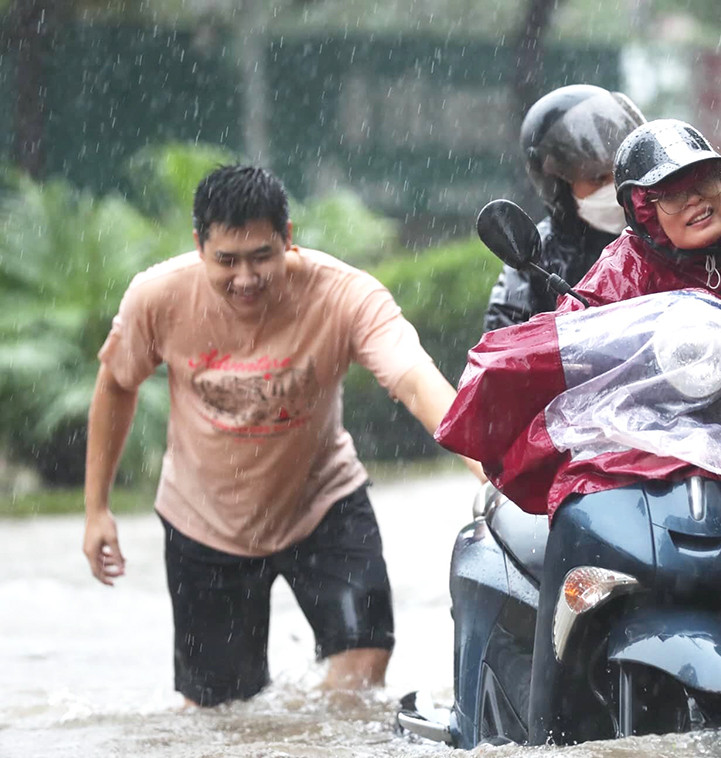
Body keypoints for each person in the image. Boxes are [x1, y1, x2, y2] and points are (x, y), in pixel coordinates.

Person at [436, 119, 721, 742]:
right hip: (640, 449)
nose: (696, 198)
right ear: (641, 208)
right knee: (571, 507)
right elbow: (570, 342)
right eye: (671, 190)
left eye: (704, 178)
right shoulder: (616, 271)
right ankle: (542, 726)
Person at [82, 165, 484, 707]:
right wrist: (96, 508)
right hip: (203, 522)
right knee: (220, 713)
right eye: (226, 260)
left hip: (322, 503)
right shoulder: (158, 297)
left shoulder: (344, 295)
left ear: (288, 239)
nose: (245, 278)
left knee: (364, 662)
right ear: (199, 246)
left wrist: (484, 459)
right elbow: (115, 384)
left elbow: (414, 381)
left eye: (261, 256)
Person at [482, 84, 645, 331]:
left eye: (620, 171)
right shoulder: (538, 258)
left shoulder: (669, 225)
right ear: (558, 186)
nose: (615, 186)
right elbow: (502, 343)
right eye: (598, 178)